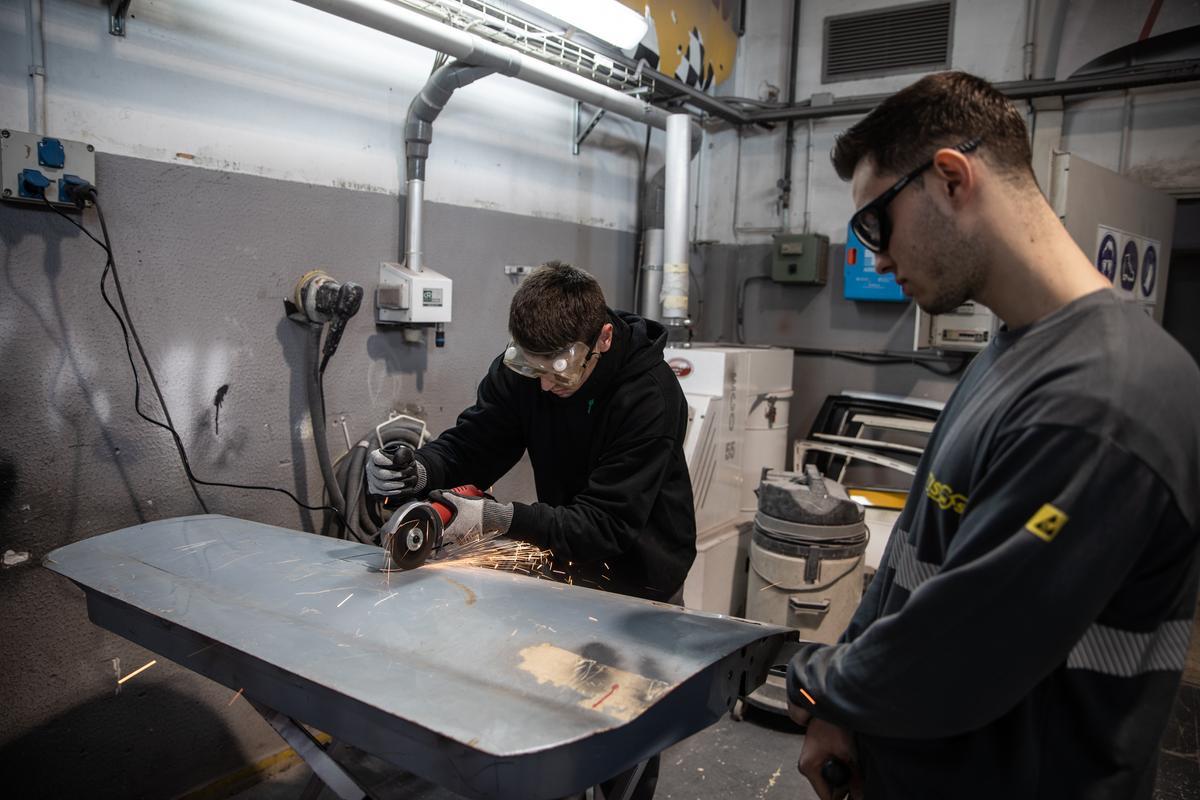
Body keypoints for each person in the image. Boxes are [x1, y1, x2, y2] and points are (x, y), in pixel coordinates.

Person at [786, 71, 1200, 800]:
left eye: (876, 225)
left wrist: (817, 685)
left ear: (950, 178)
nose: (876, 258)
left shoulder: (1102, 399)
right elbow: (911, 570)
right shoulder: (1011, 353)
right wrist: (844, 710)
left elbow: (963, 647)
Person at [367, 261, 697, 799]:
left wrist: (500, 518)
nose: (545, 383)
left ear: (603, 339)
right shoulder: (526, 371)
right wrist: (420, 468)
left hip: (641, 576)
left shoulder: (650, 396)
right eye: (531, 367)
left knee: (624, 743)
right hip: (566, 558)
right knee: (555, 725)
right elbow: (478, 442)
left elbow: (608, 526)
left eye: (560, 370)